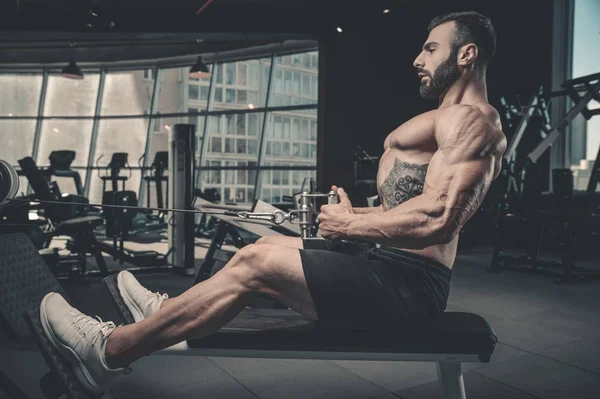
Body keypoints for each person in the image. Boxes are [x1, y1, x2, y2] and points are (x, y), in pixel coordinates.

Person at [40, 10, 507, 394]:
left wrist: (348, 227)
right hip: (390, 267)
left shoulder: (473, 122)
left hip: (409, 287)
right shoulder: (450, 119)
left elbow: (441, 217)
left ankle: (107, 351)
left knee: (258, 264)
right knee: (253, 253)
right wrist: (354, 215)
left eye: (430, 48)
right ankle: (166, 313)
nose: (416, 59)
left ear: (466, 54)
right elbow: (416, 204)